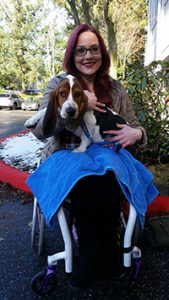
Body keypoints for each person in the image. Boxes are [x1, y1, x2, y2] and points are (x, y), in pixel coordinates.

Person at [32, 24, 147, 290]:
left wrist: (136, 134)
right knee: (86, 179)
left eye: (94, 49)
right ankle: (96, 254)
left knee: (106, 176)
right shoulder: (59, 85)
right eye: (80, 50)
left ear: (102, 53)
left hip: (108, 154)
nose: (88, 56)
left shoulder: (116, 89)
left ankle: (101, 252)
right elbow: (41, 131)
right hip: (67, 154)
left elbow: (134, 125)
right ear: (72, 55)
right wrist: (78, 105)